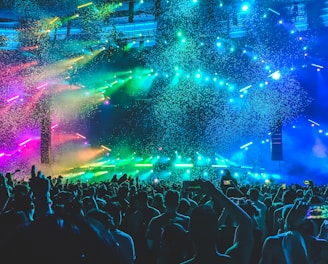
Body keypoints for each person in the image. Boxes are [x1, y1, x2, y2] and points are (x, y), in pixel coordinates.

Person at [181, 180, 254, 264]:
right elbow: (245, 222)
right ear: (218, 233)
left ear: (189, 235)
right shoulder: (230, 261)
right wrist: (213, 191)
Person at [146, 189, 190, 263]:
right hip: (181, 259)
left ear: (164, 203)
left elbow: (150, 245)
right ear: (178, 203)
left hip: (161, 259)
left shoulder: (155, 221)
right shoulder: (187, 221)